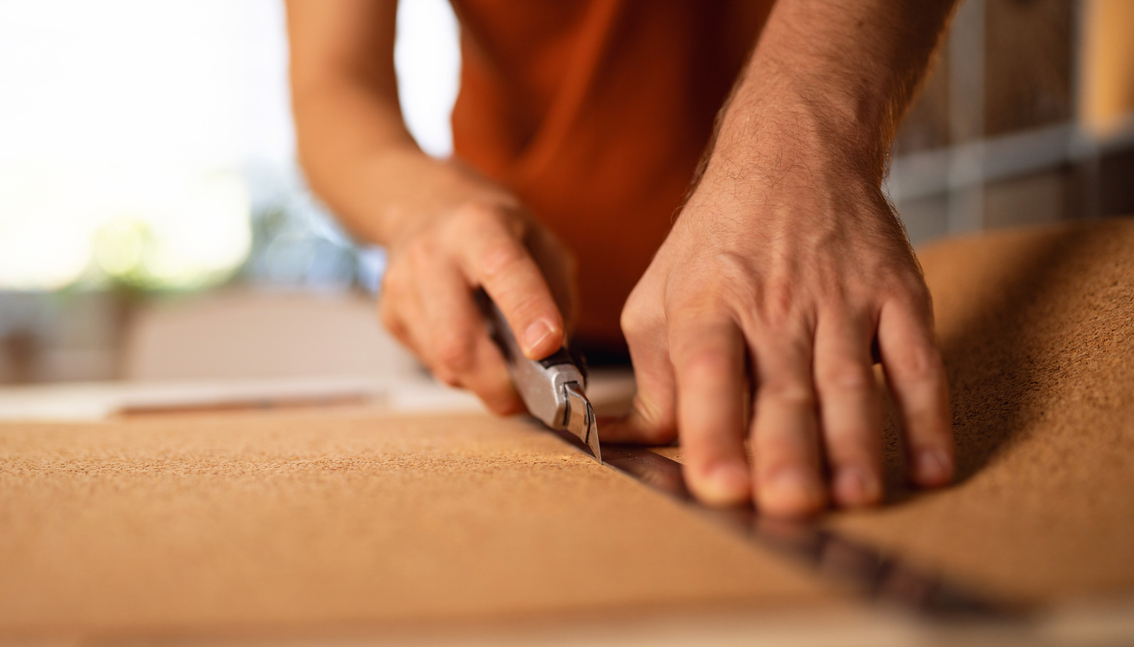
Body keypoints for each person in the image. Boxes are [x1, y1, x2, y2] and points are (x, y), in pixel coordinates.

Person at [286, 0, 958, 517]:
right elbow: (334, 84)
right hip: (492, 324)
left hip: (784, 301)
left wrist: (803, 141)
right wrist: (421, 209)